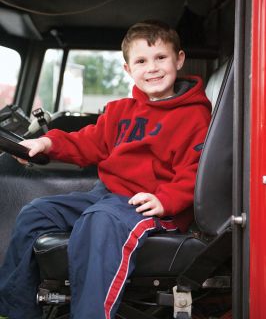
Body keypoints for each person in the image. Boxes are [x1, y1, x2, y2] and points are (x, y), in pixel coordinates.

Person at [0, 20, 211, 319]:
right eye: (141, 61)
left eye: (161, 58)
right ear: (128, 69)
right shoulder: (120, 111)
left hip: (152, 205)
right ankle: (16, 310)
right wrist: (48, 142)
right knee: (35, 212)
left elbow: (198, 170)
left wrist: (166, 199)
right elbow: (89, 142)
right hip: (108, 195)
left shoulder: (195, 116)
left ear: (178, 59)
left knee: (100, 220)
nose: (152, 68)